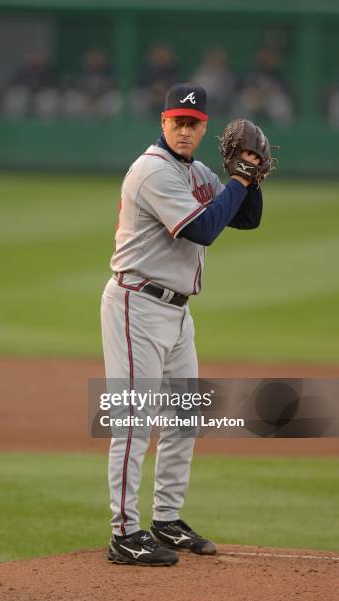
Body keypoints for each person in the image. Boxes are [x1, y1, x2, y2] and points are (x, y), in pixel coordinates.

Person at [101, 82, 265, 566]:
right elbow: (203, 229)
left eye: (194, 124)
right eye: (178, 121)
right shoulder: (152, 171)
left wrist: (251, 179)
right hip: (137, 305)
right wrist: (236, 180)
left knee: (184, 417)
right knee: (134, 421)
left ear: (204, 127)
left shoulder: (197, 171)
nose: (185, 130)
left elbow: (246, 220)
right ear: (163, 121)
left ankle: (166, 520)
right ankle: (124, 532)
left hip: (177, 312)